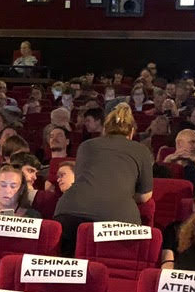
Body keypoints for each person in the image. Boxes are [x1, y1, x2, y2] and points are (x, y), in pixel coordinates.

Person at [54, 102, 153, 255]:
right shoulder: (142, 150)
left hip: (70, 211)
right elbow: (146, 195)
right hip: (118, 218)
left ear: (105, 129)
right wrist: (121, 190)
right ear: (131, 132)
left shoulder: (86, 146)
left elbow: (81, 179)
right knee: (109, 266)